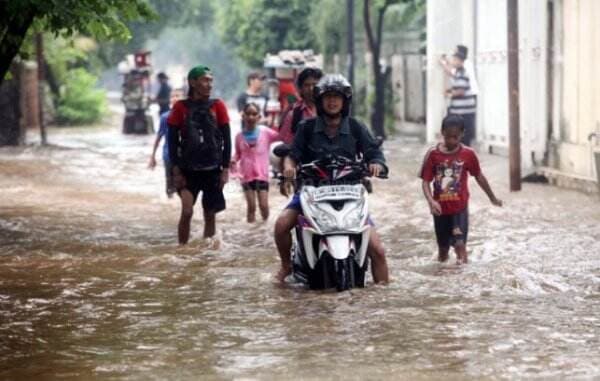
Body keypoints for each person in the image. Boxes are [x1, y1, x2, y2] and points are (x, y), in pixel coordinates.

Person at [274, 74, 390, 284]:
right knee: (281, 225)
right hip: (311, 192)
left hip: (351, 195)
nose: (332, 101)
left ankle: (384, 297)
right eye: (328, 96)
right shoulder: (306, 128)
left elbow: (374, 152)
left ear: (345, 101)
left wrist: (376, 164)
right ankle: (286, 265)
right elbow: (292, 154)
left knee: (379, 251)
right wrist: (289, 167)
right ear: (319, 100)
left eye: (337, 96)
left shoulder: (356, 127)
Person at [419, 114, 503, 264]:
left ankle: (463, 282)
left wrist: (492, 198)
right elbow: (425, 182)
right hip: (440, 211)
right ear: (442, 132)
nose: (452, 141)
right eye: (448, 137)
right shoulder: (432, 154)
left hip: (460, 209)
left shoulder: (468, 154)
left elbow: (479, 176)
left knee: (460, 246)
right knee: (443, 251)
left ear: (462, 134)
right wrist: (431, 201)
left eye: (456, 137)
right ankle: (443, 280)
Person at [167, 65, 232, 243]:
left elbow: (227, 139)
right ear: (193, 82)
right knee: (187, 211)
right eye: (205, 80)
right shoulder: (180, 108)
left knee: (210, 214)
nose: (209, 85)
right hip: (187, 170)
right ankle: (182, 250)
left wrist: (225, 168)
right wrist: (175, 169)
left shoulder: (218, 106)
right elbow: (172, 141)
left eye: (211, 81)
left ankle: (206, 254)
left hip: (212, 169)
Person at [231, 103, 281, 222]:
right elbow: (238, 153)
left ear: (259, 117)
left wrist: (277, 121)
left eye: (254, 114)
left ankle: (265, 228)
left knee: (263, 206)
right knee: (251, 207)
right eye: (248, 114)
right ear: (243, 116)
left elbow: (281, 136)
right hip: (246, 176)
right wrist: (233, 160)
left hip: (262, 175)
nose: (251, 117)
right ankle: (251, 234)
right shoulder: (239, 136)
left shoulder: (266, 132)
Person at [439, 45, 477, 146]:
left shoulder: (464, 72)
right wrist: (444, 64)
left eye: (455, 60)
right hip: (460, 111)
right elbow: (452, 75)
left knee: (464, 138)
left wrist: (448, 94)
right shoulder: (459, 72)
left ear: (461, 61)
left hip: (464, 112)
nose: (453, 62)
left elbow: (461, 91)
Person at [148, 89, 183, 198]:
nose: (175, 98)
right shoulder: (165, 117)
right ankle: (170, 201)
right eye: (173, 96)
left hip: (184, 155)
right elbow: (158, 137)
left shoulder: (188, 116)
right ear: (170, 100)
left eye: (178, 96)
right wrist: (152, 156)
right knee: (169, 182)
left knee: (183, 183)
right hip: (168, 155)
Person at [278, 67, 323, 145]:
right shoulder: (294, 114)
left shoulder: (330, 111)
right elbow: (284, 144)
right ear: (300, 88)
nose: (311, 89)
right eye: (307, 85)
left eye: (315, 84)